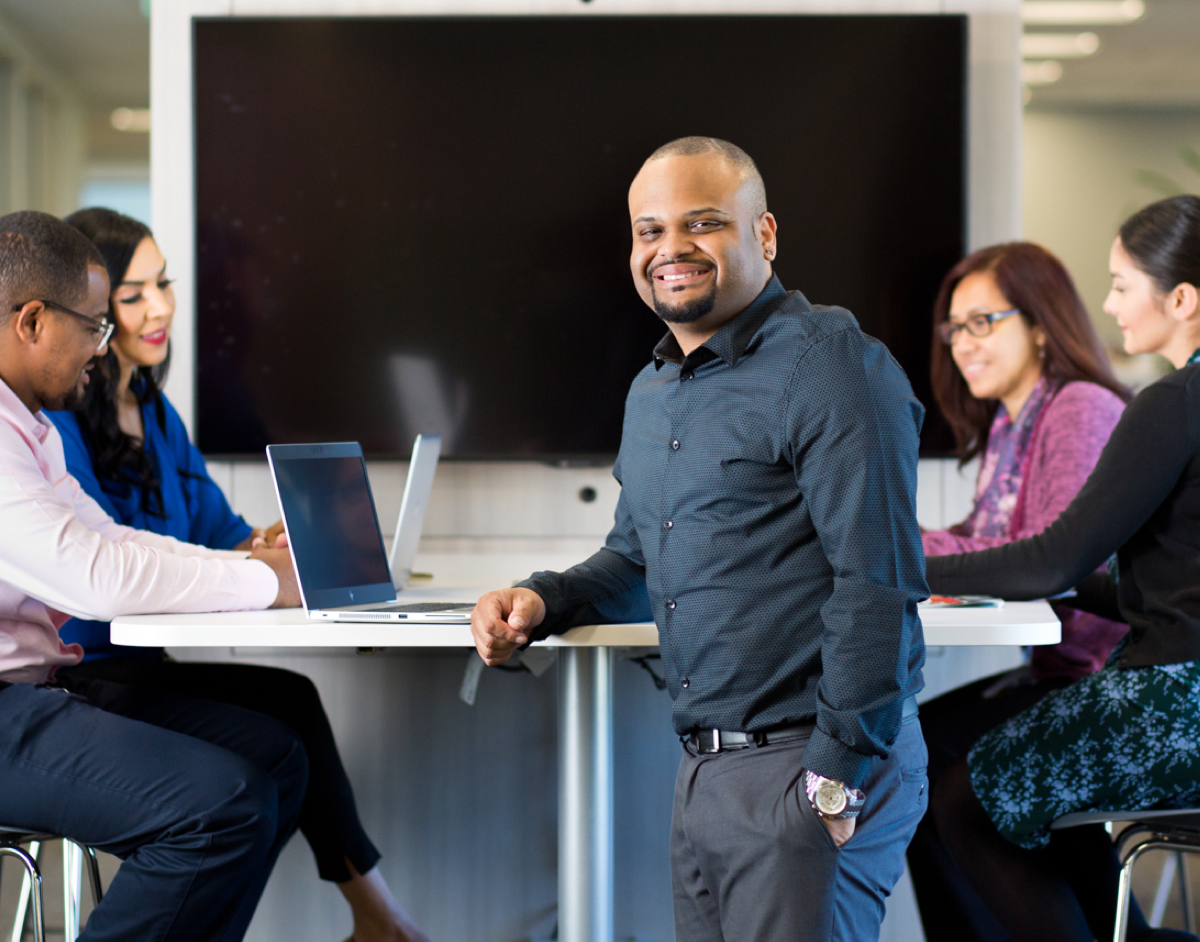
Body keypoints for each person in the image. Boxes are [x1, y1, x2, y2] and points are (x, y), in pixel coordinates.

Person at [471, 137, 929, 942]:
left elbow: (876, 584)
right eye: (649, 230)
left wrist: (833, 779)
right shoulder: (653, 391)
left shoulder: (832, 367)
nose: (670, 249)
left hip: (806, 769)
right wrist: (543, 597)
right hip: (703, 775)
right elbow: (636, 560)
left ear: (766, 234)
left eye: (703, 222)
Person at [47, 207, 432, 942]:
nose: (159, 307)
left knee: (288, 704)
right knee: (267, 745)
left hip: (139, 663)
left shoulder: (155, 412)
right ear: (89, 307)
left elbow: (215, 532)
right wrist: (245, 565)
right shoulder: (59, 421)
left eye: (163, 284)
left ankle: (376, 920)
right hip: (87, 668)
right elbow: (114, 563)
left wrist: (261, 544)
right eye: (132, 296)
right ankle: (380, 921)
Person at [0, 208, 307, 941]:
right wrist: (265, 582)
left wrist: (257, 567)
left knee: (277, 757)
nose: (104, 350)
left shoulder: (30, 428)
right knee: (223, 804)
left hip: (33, 693)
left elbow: (115, 540)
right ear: (34, 321)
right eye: (97, 326)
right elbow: (95, 577)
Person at [925, 194, 1200, 942]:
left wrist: (901, 568)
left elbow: (1051, 557)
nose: (1106, 302)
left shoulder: (1173, 402)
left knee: (964, 798)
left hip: (1177, 706)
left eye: (1119, 282)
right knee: (1021, 782)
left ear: (1181, 298)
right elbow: (1168, 584)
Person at [909, 242, 1129, 941]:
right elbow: (984, 535)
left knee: (927, 764)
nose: (962, 345)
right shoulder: (1011, 421)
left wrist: (904, 546)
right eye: (954, 328)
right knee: (915, 748)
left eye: (983, 322)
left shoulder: (1078, 408)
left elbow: (1045, 557)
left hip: (1109, 673)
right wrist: (912, 537)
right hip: (1060, 668)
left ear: (1039, 323)